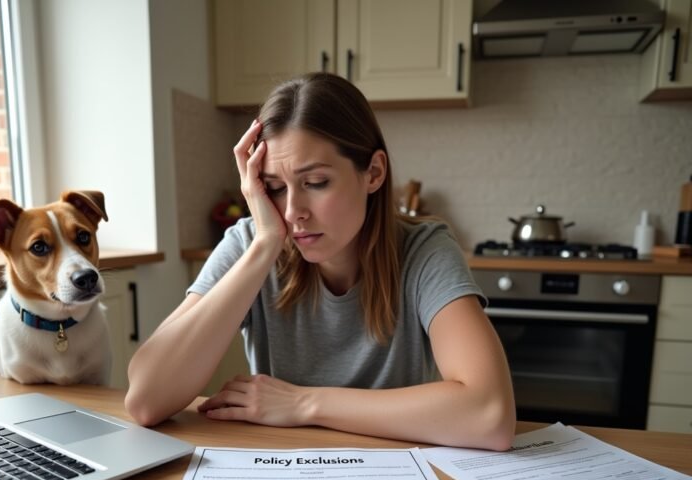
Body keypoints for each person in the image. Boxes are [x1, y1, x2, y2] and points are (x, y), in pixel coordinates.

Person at [125, 72, 515, 449]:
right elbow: (145, 399)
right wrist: (265, 245)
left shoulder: (425, 251)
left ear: (373, 173)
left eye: (315, 183)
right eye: (274, 188)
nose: (292, 211)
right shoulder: (251, 242)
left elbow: (490, 415)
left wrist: (304, 403)